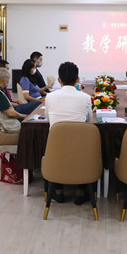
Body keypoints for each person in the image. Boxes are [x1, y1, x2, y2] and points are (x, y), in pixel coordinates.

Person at [44, 61, 95, 205]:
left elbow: (48, 119)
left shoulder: (50, 97)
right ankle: (81, 191)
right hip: (80, 149)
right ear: (77, 80)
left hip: (56, 149)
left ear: (59, 80)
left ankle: (58, 190)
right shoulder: (86, 98)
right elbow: (88, 120)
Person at [0, 68, 25, 133]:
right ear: (5, 80)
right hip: (9, 124)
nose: (8, 82)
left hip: (6, 120)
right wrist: (23, 116)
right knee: (33, 125)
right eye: (8, 80)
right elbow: (11, 113)